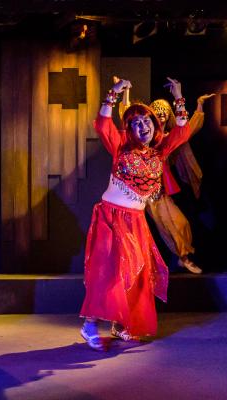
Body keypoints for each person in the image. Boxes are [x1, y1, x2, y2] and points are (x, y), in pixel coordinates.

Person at [80, 77, 191, 351]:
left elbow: (182, 132)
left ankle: (121, 325)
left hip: (136, 222)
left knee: (138, 273)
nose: (143, 126)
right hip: (110, 218)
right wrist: (113, 94)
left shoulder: (159, 152)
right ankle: (90, 325)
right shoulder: (120, 146)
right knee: (110, 271)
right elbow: (103, 124)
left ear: (155, 126)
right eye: (136, 123)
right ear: (129, 129)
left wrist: (178, 96)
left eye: (147, 121)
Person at [121, 86, 214, 274]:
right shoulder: (137, 137)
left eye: (165, 111)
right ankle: (131, 269)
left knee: (179, 223)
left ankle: (182, 258)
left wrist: (197, 105)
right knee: (130, 232)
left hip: (157, 193)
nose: (161, 114)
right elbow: (126, 117)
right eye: (157, 110)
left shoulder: (167, 141)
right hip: (133, 194)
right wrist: (124, 93)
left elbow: (186, 130)